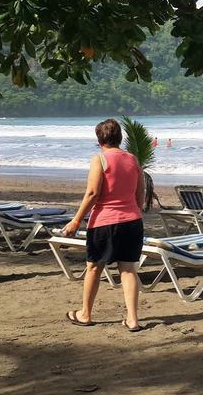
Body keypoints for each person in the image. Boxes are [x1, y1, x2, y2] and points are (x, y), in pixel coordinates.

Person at [63, 119, 145, 331]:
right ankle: (133, 319)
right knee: (128, 269)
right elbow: (140, 194)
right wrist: (132, 211)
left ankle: (85, 314)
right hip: (132, 221)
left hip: (104, 222)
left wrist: (76, 220)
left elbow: (92, 193)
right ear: (120, 138)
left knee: (94, 267)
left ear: (99, 140)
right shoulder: (134, 160)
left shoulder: (99, 159)